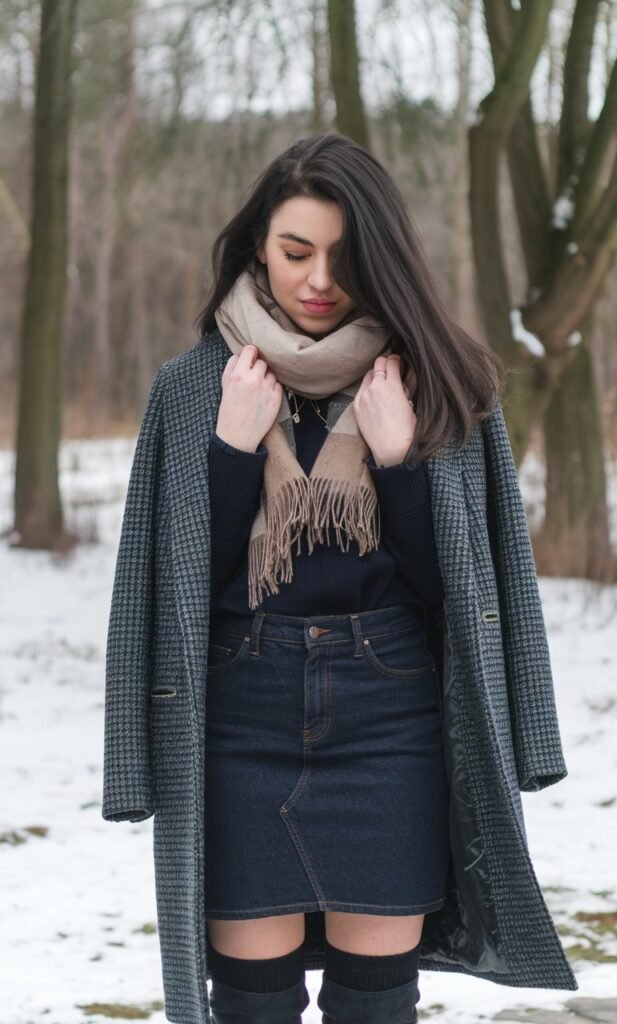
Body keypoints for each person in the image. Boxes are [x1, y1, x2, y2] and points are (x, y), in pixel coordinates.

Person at [196, 130, 505, 1023]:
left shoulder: (443, 381)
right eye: (296, 252)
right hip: (240, 717)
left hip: (390, 720)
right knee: (250, 1005)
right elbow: (178, 593)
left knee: (377, 1007)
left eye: (344, 255)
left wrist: (402, 459)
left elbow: (463, 599)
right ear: (260, 244)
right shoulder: (195, 385)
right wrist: (230, 446)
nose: (319, 278)